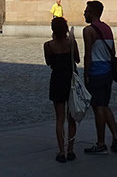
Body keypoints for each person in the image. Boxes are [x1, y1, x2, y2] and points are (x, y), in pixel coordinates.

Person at [82, 0, 117, 155]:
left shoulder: (88, 30)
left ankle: (100, 144)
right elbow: (113, 51)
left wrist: (86, 75)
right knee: (105, 105)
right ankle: (116, 138)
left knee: (98, 107)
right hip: (108, 72)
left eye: (86, 11)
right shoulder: (107, 28)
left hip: (96, 72)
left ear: (92, 13)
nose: (84, 13)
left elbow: (87, 55)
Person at [44, 16, 79, 163]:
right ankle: (70, 150)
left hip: (57, 80)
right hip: (70, 80)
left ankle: (61, 151)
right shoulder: (71, 43)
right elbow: (77, 59)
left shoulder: (48, 45)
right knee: (71, 118)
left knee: (59, 119)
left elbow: (48, 62)